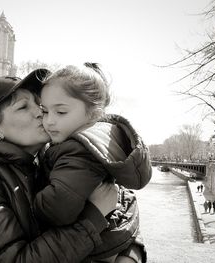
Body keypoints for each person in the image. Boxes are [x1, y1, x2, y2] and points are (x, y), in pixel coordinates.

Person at [0, 69, 141, 263]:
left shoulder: (56, 155)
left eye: (39, 104)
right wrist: (93, 219)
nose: (40, 112)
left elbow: (121, 199)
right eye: (23, 107)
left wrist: (132, 255)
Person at [34, 63, 152, 263]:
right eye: (45, 111)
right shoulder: (101, 142)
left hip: (93, 248)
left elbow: (57, 210)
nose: (49, 121)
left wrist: (32, 201)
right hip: (108, 242)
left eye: (60, 112)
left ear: (93, 114)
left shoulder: (77, 151)